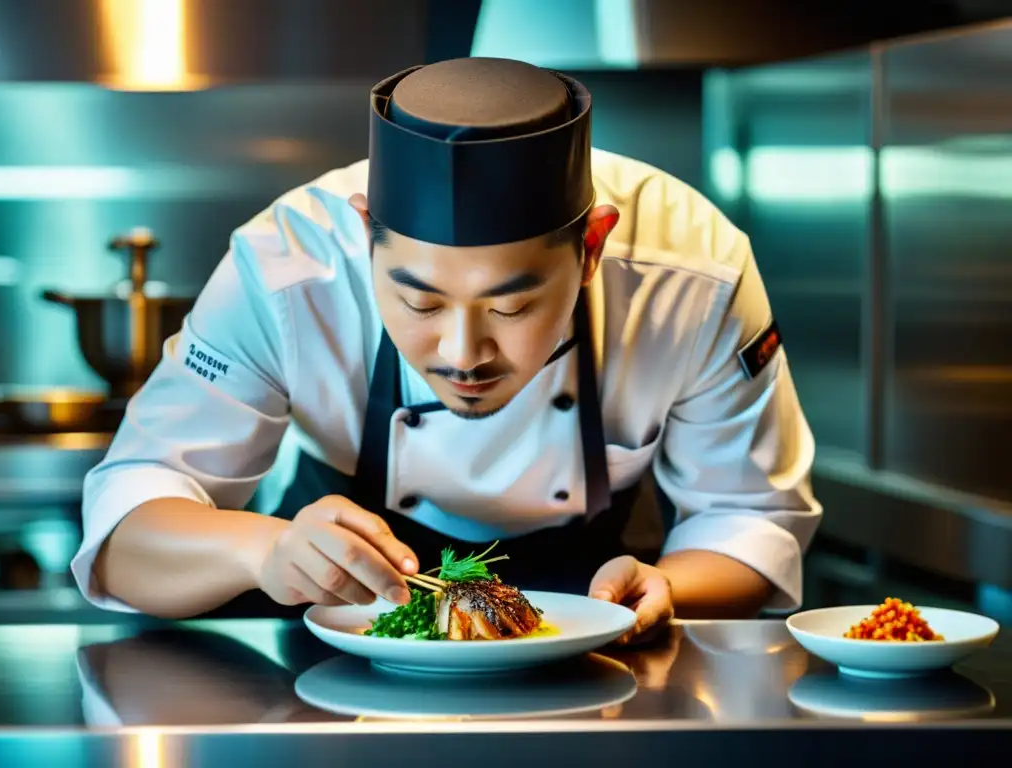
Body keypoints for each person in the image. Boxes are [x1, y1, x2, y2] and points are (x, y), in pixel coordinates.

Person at [71, 57, 822, 643]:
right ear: (366, 235)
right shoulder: (284, 269)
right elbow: (126, 530)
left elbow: (750, 516)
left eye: (514, 304)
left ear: (592, 246)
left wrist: (675, 587)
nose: (464, 353)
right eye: (420, 302)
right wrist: (262, 551)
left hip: (601, 648)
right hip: (327, 670)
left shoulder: (694, 274)